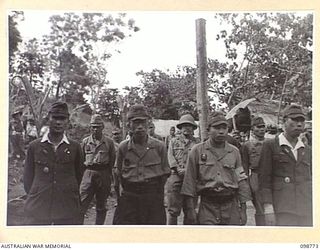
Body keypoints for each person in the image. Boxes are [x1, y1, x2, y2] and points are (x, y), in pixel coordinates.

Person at [181, 111, 251, 225]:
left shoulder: (234, 152)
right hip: (208, 206)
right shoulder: (197, 151)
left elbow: (241, 179)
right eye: (217, 128)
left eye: (224, 127)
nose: (221, 131)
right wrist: (190, 210)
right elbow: (189, 182)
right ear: (208, 130)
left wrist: (243, 209)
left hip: (230, 205)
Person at [23, 102, 83, 225]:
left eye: (62, 118)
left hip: (66, 207)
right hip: (39, 206)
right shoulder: (34, 146)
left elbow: (79, 175)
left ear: (67, 121)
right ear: (48, 119)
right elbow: (28, 178)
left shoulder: (75, 147)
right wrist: (39, 192)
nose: (58, 122)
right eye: (55, 118)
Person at [113, 104, 170, 225]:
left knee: (153, 235)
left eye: (143, 122)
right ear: (129, 125)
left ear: (148, 123)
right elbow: (118, 174)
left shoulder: (159, 147)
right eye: (136, 123)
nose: (140, 127)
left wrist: (157, 195)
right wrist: (120, 198)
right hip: (129, 196)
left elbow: (165, 173)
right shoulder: (123, 147)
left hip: (152, 197)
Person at [258, 104, 312, 226]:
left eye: (302, 120)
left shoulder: (307, 150)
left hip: (306, 208)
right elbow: (264, 180)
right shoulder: (271, 145)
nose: (299, 124)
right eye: (294, 120)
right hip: (282, 208)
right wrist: (268, 207)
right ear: (284, 121)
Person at [79, 114, 116, 225]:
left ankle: (98, 228)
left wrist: (108, 176)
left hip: (103, 173)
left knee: (101, 204)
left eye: (98, 126)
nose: (95, 129)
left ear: (102, 127)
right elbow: (81, 160)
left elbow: (112, 159)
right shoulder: (85, 141)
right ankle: (78, 228)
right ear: (90, 127)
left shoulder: (109, 142)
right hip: (88, 173)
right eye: (93, 126)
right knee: (82, 202)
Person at [167, 114, 200, 225]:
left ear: (193, 128)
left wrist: (188, 170)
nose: (186, 128)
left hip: (191, 178)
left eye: (189, 125)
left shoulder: (197, 143)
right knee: (173, 211)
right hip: (176, 177)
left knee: (190, 210)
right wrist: (177, 168)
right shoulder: (173, 141)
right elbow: (170, 156)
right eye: (184, 125)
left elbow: (199, 160)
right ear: (180, 128)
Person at [241, 116, 266, 225]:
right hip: (255, 177)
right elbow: (245, 165)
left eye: (263, 127)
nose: (261, 129)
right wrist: (245, 184)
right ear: (253, 129)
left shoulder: (271, 143)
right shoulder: (247, 145)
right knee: (260, 207)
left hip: (269, 176)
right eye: (258, 127)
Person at [111, 128, 123, 204]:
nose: (116, 136)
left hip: (123, 167)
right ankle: (118, 200)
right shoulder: (111, 144)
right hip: (114, 167)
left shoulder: (124, 143)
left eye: (118, 134)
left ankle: (124, 200)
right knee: (116, 185)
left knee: (123, 185)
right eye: (114, 134)